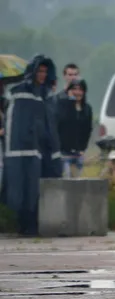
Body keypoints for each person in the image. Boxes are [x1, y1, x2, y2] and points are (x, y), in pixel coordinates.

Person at [2, 54, 57, 236]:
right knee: (19, 190)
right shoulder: (20, 91)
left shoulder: (45, 95)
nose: (42, 74)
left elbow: (48, 124)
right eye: (39, 71)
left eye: (45, 71)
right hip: (18, 150)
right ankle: (22, 225)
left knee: (34, 190)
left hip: (38, 150)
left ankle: (31, 225)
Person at [56, 78, 92, 178]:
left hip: (78, 152)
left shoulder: (87, 109)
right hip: (63, 152)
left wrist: (83, 148)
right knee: (65, 180)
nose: (77, 92)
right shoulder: (62, 105)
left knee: (76, 183)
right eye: (74, 89)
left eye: (80, 89)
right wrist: (71, 102)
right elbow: (61, 125)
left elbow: (87, 130)